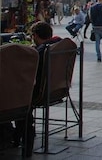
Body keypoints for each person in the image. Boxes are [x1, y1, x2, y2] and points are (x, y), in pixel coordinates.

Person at [14, 21, 62, 156]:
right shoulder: (55, 45)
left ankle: (18, 136)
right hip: (53, 90)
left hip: (37, 92)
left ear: (35, 35)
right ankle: (18, 136)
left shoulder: (41, 52)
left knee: (17, 98)